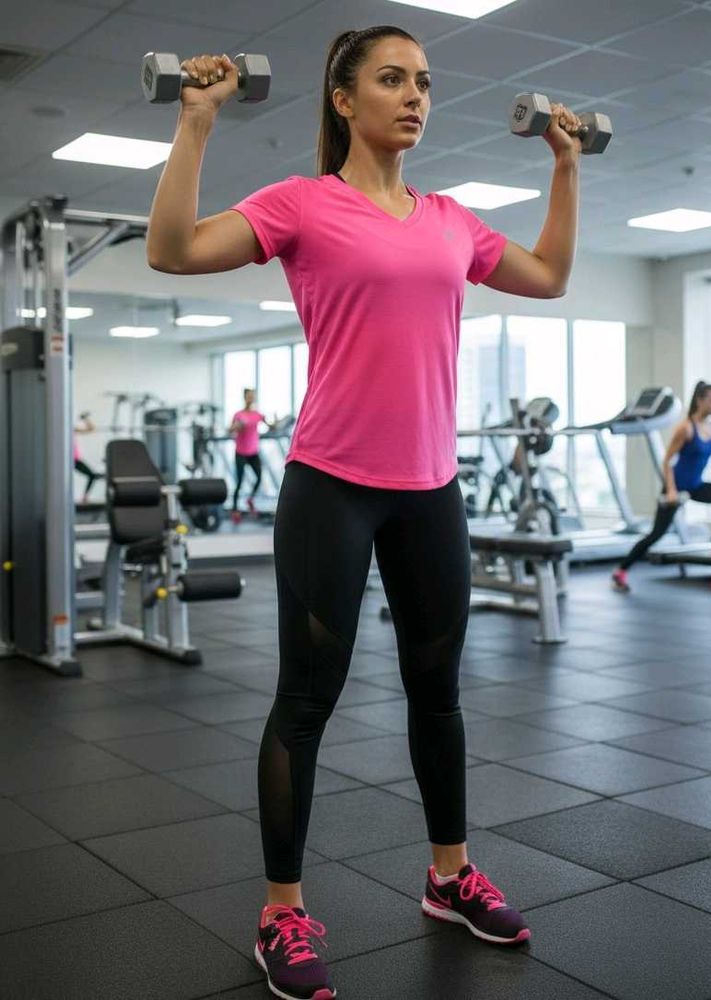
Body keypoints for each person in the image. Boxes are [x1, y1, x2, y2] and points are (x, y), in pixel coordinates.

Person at [147, 25, 583, 1000]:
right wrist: (196, 121)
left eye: (423, 82)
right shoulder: (302, 206)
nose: (413, 95)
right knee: (306, 700)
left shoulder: (452, 220)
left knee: (439, 694)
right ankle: (281, 912)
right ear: (343, 100)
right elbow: (171, 250)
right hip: (330, 486)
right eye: (391, 79)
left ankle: (447, 876)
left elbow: (550, 275)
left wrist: (564, 168)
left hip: (431, 489)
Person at [612, 380, 711, 592]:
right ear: (700, 400)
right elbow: (667, 461)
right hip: (675, 486)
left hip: (695, 486)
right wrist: (670, 490)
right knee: (656, 534)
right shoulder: (685, 428)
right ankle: (621, 571)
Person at [228, 387, 275, 521]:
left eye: (252, 395)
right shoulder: (239, 415)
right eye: (249, 395)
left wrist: (275, 422)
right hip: (241, 453)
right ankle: (235, 510)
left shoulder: (257, 414)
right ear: (245, 397)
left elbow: (271, 426)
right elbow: (230, 429)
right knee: (239, 482)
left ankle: (250, 499)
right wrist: (238, 426)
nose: (251, 398)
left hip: (253, 452)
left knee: (259, 478)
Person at [73, 412, 103, 502]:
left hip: (75, 460)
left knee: (92, 475)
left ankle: (85, 497)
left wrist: (85, 419)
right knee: (92, 475)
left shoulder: (71, 429)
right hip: (68, 460)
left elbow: (91, 429)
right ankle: (85, 497)